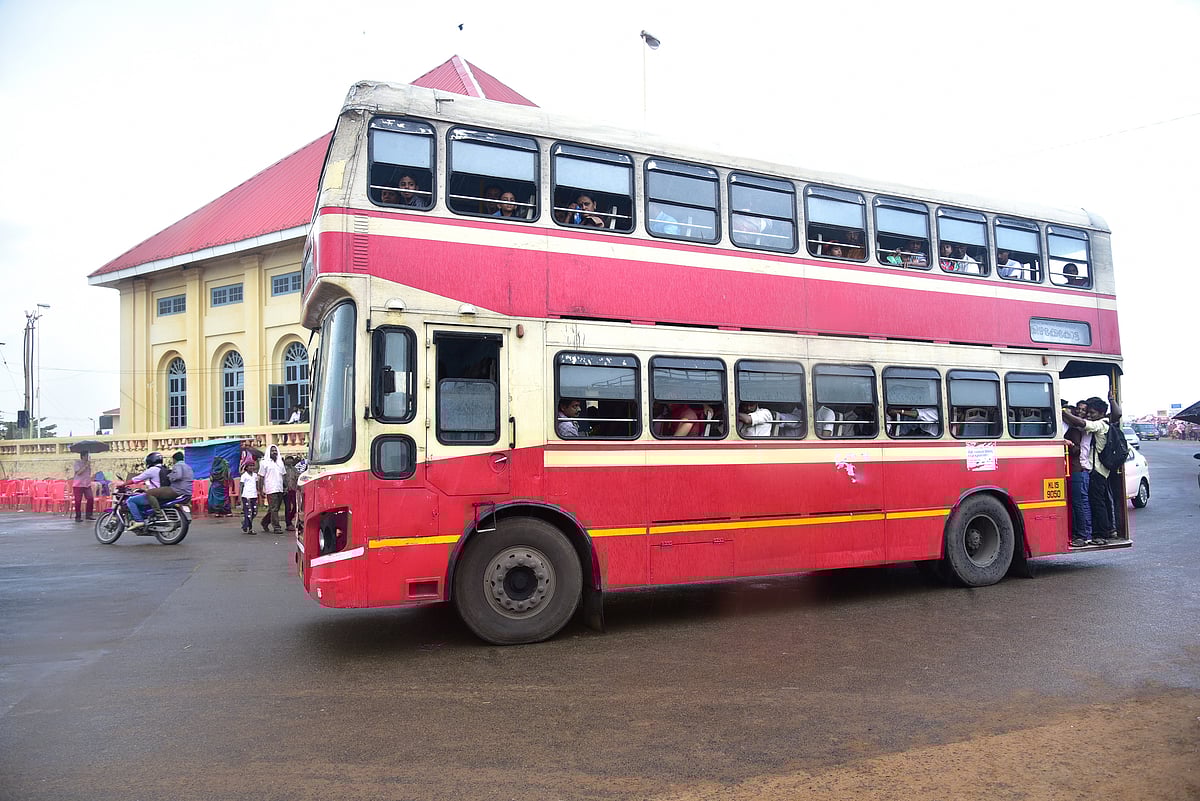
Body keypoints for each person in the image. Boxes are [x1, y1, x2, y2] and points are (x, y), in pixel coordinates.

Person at [1061, 394, 1123, 544]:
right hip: (1095, 469)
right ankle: (1103, 531)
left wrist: (1062, 412)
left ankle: (1100, 534)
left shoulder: (1100, 424)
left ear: (1101, 413)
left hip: (1098, 470)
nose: (1089, 415)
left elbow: (1082, 423)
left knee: (1096, 503)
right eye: (1088, 412)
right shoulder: (1102, 421)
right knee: (1097, 502)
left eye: (1092, 413)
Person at [1063, 400, 1093, 547]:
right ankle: (1083, 534)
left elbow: (1077, 450)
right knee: (1078, 503)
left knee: (1079, 503)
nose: (1080, 412)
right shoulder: (1075, 427)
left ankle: (1083, 535)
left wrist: (1067, 443)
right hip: (1077, 469)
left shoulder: (1079, 428)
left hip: (1078, 469)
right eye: (1078, 409)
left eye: (1084, 410)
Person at [119, 452, 169, 530]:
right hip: (163, 494)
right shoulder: (165, 469)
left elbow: (136, 479)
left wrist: (123, 484)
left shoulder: (152, 470)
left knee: (131, 500)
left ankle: (139, 520)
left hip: (153, 495)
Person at [143, 451, 193, 519]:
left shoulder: (178, 465)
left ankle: (158, 514)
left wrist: (170, 477)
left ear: (174, 459)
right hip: (188, 491)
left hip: (177, 490)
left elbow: (178, 475)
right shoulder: (188, 467)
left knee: (149, 493)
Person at [258, 444, 286, 534]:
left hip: (280, 487)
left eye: (275, 451)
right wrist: (260, 489)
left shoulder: (280, 462)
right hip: (270, 488)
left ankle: (264, 522)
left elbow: (283, 475)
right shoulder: (264, 463)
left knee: (274, 508)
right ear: (268, 452)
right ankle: (276, 527)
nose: (274, 452)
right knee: (274, 508)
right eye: (272, 451)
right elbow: (261, 477)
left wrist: (285, 486)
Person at [71, 451, 95, 522]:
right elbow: (78, 473)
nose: (88, 458)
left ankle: (89, 514)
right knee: (78, 501)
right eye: (87, 456)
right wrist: (86, 466)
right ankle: (78, 516)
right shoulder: (77, 463)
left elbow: (88, 474)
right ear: (83, 456)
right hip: (78, 485)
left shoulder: (88, 464)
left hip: (87, 484)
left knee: (90, 498)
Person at [239, 462, 259, 534]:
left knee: (255, 512)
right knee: (249, 513)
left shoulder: (255, 475)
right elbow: (241, 486)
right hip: (246, 496)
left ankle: (245, 523)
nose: (251, 467)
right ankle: (250, 529)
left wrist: (259, 492)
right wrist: (239, 496)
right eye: (250, 466)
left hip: (254, 495)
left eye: (252, 466)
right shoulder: (244, 476)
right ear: (246, 467)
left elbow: (257, 485)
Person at [283, 455, 300, 532]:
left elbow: (297, 478)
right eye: (288, 459)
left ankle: (289, 519)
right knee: (288, 508)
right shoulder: (283, 469)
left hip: (293, 490)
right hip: (286, 490)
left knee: (295, 507)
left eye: (291, 459)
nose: (289, 461)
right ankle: (288, 524)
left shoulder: (295, 469)